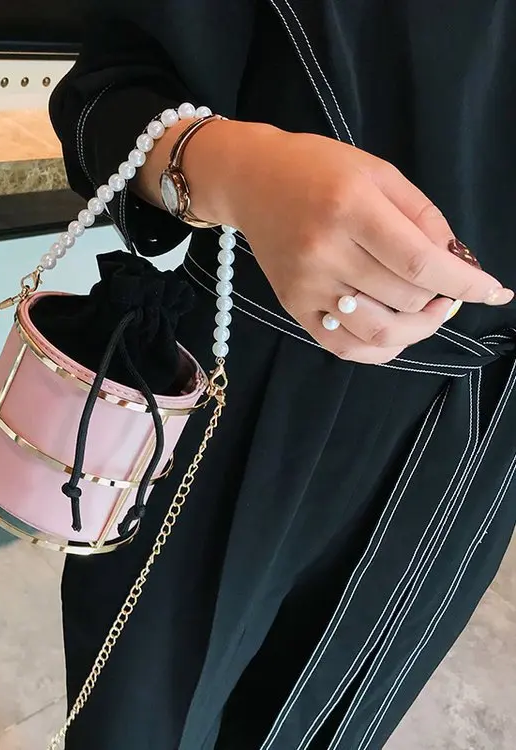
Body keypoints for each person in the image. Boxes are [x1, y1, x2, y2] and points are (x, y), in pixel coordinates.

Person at [47, 1, 516, 748]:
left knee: (336, 718)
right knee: (142, 715)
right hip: (258, 371)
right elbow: (105, 97)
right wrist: (242, 170)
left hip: (486, 433)